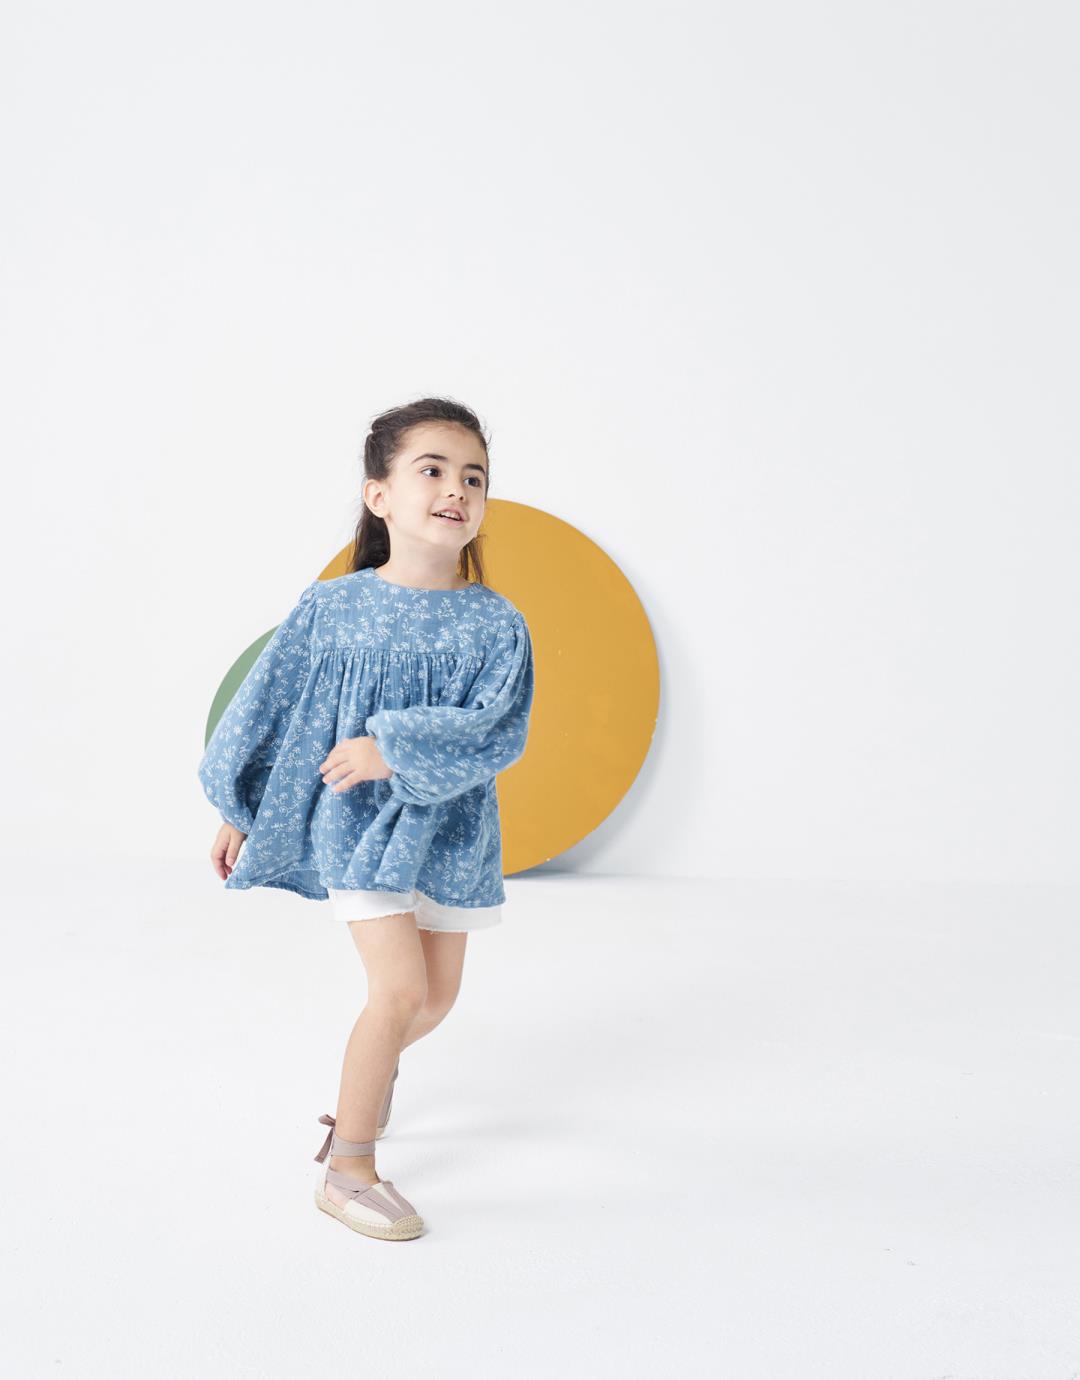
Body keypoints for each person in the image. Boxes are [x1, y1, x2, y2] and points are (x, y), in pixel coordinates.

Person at [197, 397, 536, 1242]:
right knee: (399, 991)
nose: (456, 489)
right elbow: (270, 707)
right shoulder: (333, 606)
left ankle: (370, 1075)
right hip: (352, 825)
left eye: (474, 477)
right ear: (379, 495)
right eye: (433, 470)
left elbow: (499, 728)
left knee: (437, 1000)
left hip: (449, 830)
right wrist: (243, 806)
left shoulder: (496, 622)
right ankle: (349, 1167)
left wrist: (394, 746)